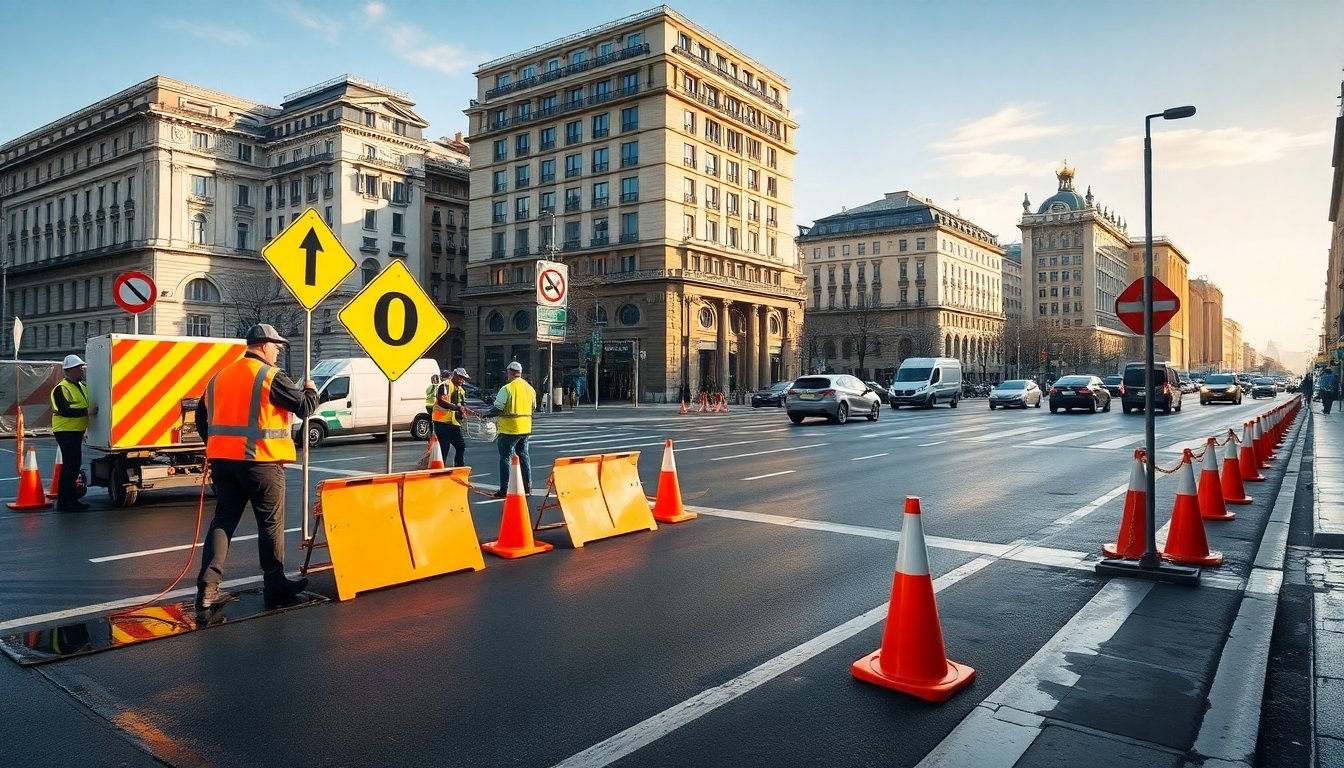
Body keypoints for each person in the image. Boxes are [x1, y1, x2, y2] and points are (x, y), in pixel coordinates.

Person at [193, 324, 319, 620]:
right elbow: (303, 407)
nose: (278, 352)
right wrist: (311, 390)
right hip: (261, 462)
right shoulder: (269, 376)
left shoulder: (219, 376)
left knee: (223, 520)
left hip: (223, 463)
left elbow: (201, 417)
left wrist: (217, 446)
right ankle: (274, 585)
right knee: (270, 524)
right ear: (263, 345)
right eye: (277, 347)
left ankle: (207, 591)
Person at [481, 361, 536, 498]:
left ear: (509, 373)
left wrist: (485, 414)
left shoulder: (507, 389)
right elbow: (533, 407)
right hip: (525, 428)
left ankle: (504, 490)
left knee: (505, 458)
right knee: (524, 456)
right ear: (520, 373)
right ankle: (527, 487)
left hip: (509, 429)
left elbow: (498, 408)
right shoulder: (530, 389)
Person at [50, 354, 97, 512]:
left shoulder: (81, 387)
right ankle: (65, 502)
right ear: (68, 370)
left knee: (73, 466)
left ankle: (70, 500)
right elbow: (64, 410)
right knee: (70, 467)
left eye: (81, 368)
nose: (81, 371)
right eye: (78, 368)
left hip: (76, 431)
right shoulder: (61, 388)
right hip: (65, 431)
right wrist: (87, 412)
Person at [432, 367, 474, 467]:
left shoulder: (462, 391)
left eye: (464, 378)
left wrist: (466, 411)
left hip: (454, 423)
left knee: (460, 445)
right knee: (444, 448)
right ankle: (441, 469)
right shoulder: (445, 385)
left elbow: (462, 405)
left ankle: (459, 466)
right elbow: (442, 401)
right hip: (441, 423)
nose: (462, 380)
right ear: (454, 376)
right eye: (460, 378)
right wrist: (457, 407)